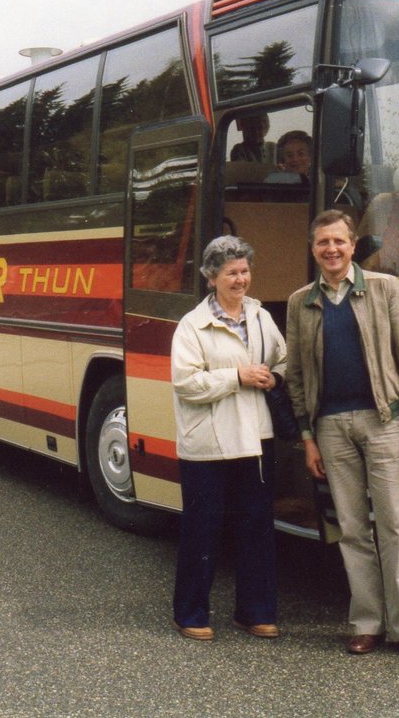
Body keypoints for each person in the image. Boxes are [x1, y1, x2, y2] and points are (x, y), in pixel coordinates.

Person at [284, 209, 399, 661]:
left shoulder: (385, 290)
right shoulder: (299, 302)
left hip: (384, 423)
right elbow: (295, 377)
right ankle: (366, 623)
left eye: (339, 242)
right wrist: (308, 437)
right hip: (331, 429)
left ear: (353, 246)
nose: (331, 249)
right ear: (313, 250)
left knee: (395, 526)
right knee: (351, 529)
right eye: (322, 243)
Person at [170, 235, 287, 641]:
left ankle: (254, 612)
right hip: (208, 443)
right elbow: (186, 383)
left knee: (256, 527)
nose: (241, 279)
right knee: (202, 530)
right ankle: (190, 614)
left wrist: (276, 376)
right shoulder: (192, 326)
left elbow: (283, 358)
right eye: (231, 273)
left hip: (256, 438)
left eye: (245, 270)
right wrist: (237, 376)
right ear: (211, 278)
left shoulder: (260, 317)